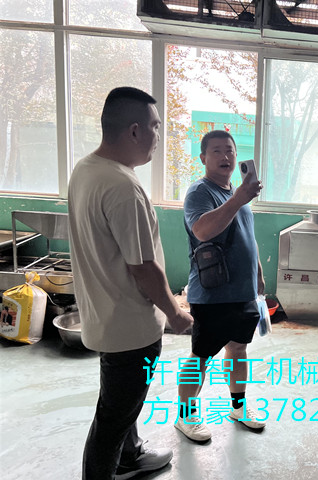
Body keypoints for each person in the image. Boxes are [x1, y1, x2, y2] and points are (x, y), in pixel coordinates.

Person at [68, 86, 193, 479]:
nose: (158, 136)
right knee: (114, 416)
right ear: (135, 131)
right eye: (155, 127)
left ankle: (130, 456)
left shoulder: (86, 169)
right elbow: (144, 268)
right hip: (130, 327)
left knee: (122, 402)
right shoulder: (124, 188)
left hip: (105, 316)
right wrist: (175, 313)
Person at [175, 130, 265, 442]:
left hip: (243, 291)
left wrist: (258, 272)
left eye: (229, 150)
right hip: (213, 294)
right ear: (203, 158)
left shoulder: (236, 193)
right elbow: (202, 230)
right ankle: (185, 416)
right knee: (201, 356)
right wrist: (240, 198)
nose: (225, 156)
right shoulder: (200, 192)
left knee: (238, 349)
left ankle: (238, 408)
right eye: (216, 151)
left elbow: (247, 236)